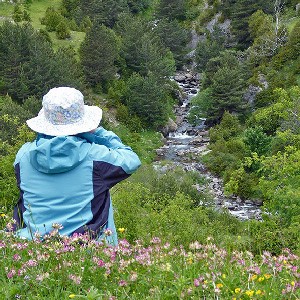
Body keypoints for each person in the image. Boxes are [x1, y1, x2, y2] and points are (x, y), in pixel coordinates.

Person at [12, 87, 141, 245]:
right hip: (85, 251)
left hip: (35, 246)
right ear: (83, 124)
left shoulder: (23, 156)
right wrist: (98, 132)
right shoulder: (95, 157)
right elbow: (132, 160)